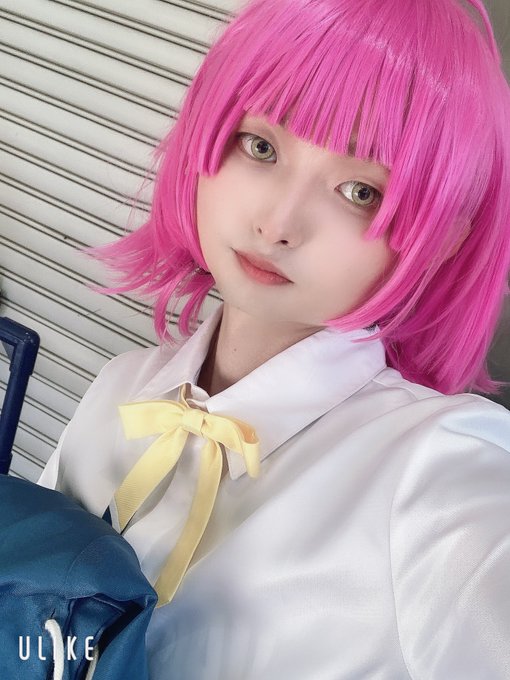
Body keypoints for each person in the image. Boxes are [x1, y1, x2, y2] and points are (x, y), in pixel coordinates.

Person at [37, 0, 510, 677]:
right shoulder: (120, 385)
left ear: (437, 243)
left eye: (361, 192)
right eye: (261, 146)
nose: (279, 224)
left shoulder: (442, 469)